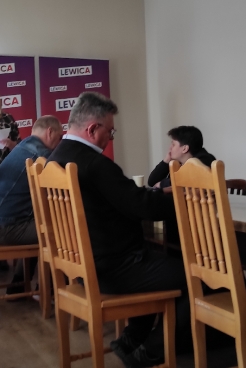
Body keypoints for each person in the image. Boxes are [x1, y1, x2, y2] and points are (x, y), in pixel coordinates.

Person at [48, 92, 187, 367]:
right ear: (92, 129)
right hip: (113, 270)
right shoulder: (94, 164)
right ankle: (150, 351)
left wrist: (150, 194)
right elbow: (143, 207)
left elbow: (123, 198)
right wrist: (185, 199)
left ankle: (130, 341)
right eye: (109, 132)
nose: (110, 138)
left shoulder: (56, 157)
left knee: (156, 262)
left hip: (84, 269)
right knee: (192, 276)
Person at [0, 115, 64, 295]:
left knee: (39, 221)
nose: (60, 143)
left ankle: (18, 284)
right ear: (50, 132)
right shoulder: (41, 156)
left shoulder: (20, 148)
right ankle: (51, 287)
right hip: (6, 230)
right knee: (61, 230)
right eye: (60, 137)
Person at [147, 125, 216, 189]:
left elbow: (185, 178)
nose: (170, 148)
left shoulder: (205, 160)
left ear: (184, 149)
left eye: (173, 144)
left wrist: (161, 184)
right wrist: (166, 160)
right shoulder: (179, 163)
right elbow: (152, 182)